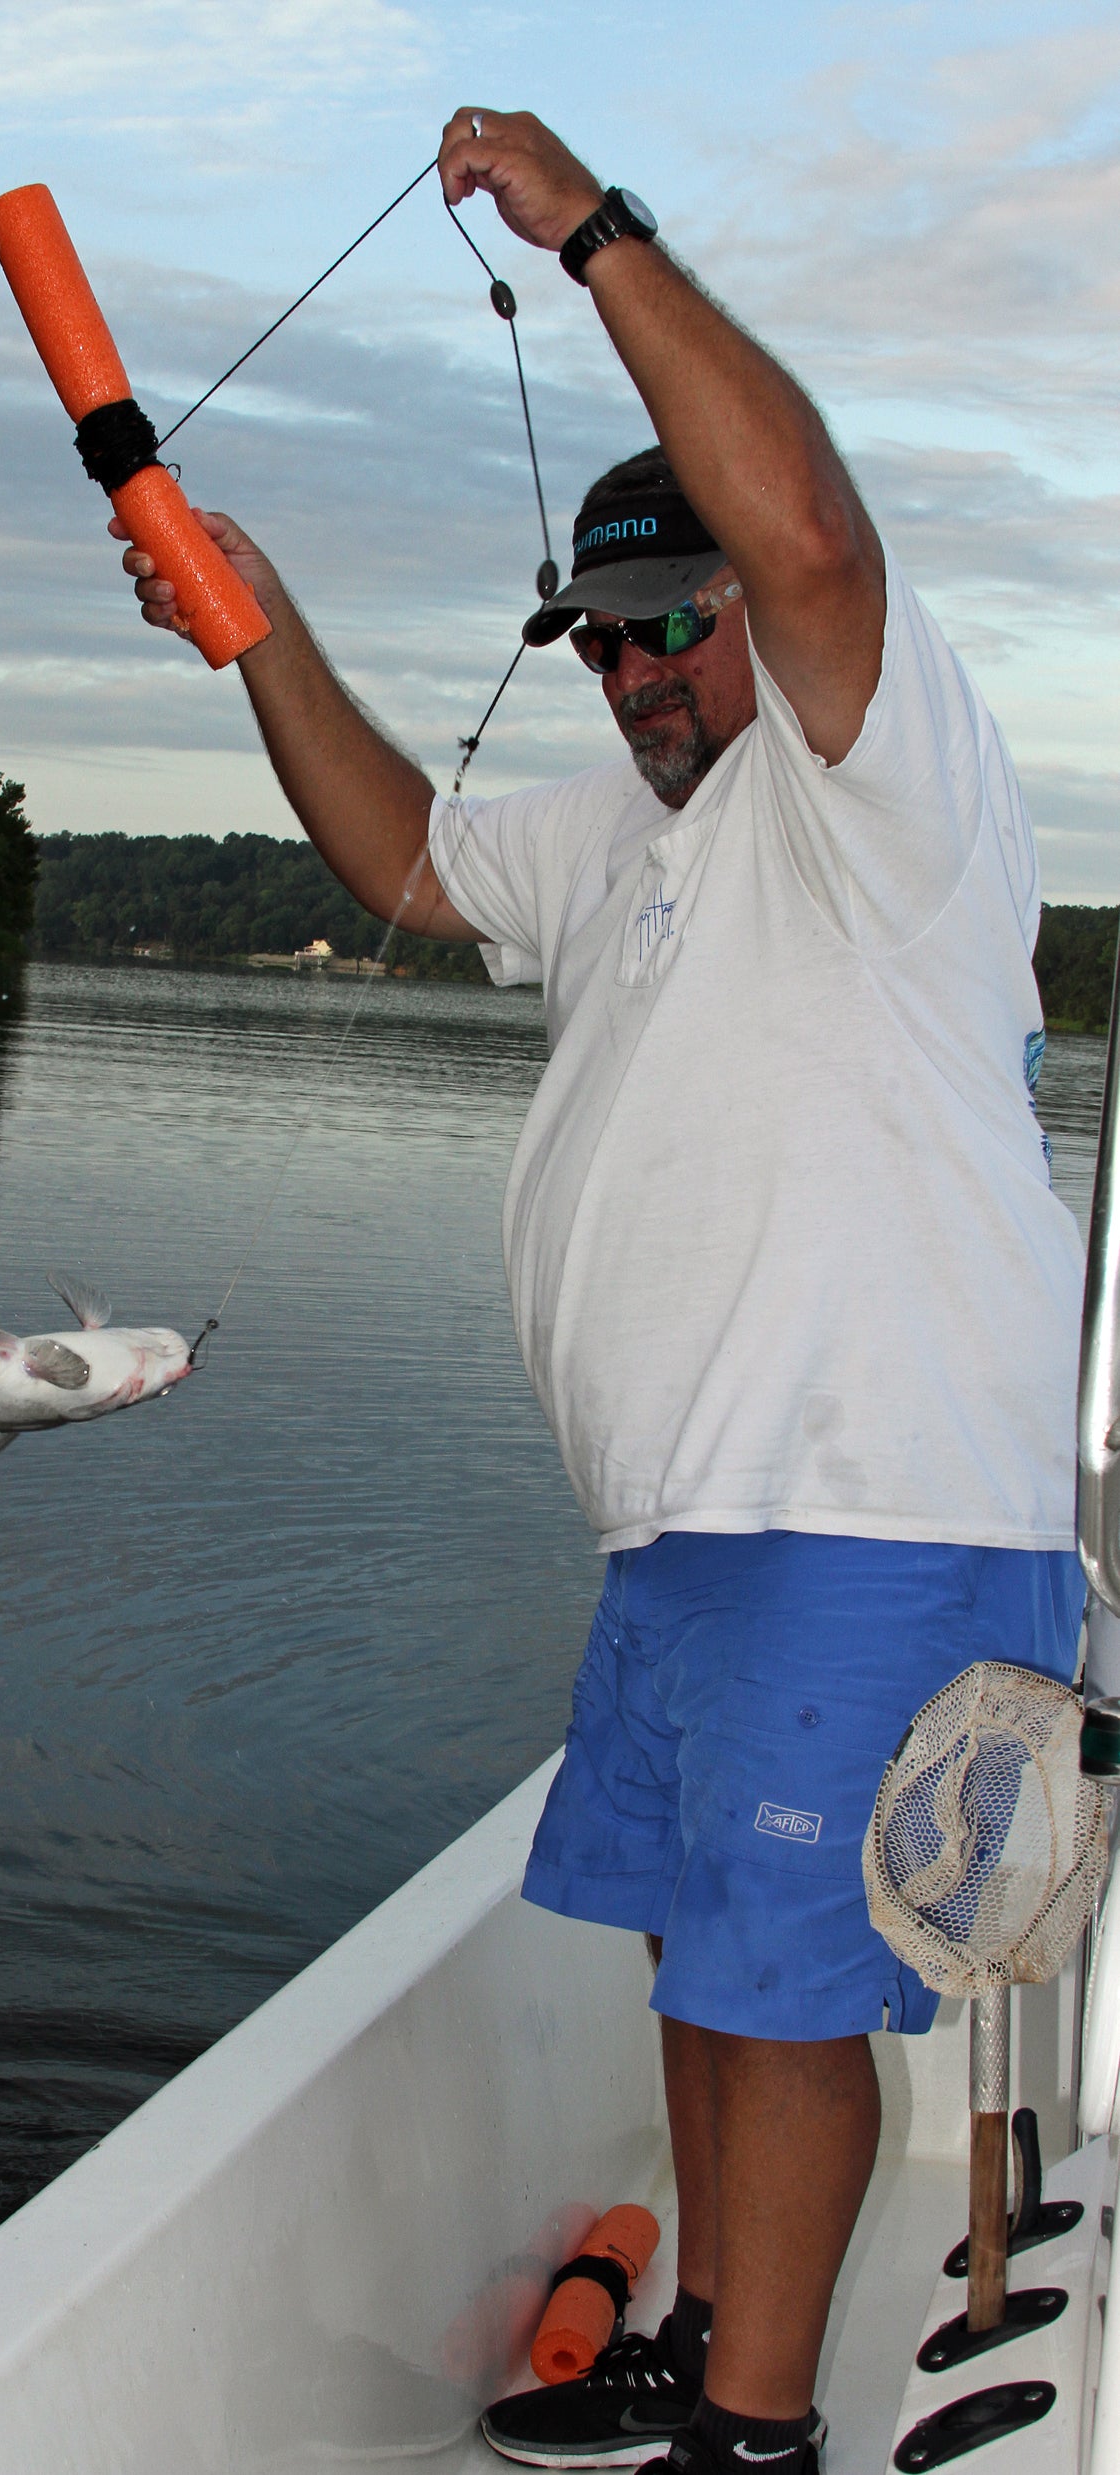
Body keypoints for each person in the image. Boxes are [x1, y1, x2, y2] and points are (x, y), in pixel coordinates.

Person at [113, 108, 1086, 2475]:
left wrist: (597, 234)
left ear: (749, 609)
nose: (640, 668)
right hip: (685, 1531)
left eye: (675, 622)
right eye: (606, 633)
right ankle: (720, 2326)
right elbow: (400, 854)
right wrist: (256, 622)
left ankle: (756, 2438)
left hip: (867, 1510)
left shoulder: (877, 768)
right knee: (693, 1947)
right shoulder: (620, 826)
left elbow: (820, 536)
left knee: (784, 1989)